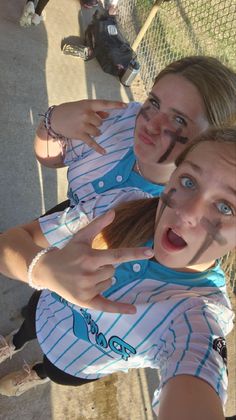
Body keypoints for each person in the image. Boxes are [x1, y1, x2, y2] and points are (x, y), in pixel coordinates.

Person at [0, 127, 235, 420]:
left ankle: (37, 372)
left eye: (225, 207)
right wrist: (44, 269)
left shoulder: (200, 314)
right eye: (188, 181)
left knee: (54, 370)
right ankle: (13, 342)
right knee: (27, 326)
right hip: (45, 311)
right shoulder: (117, 207)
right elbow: (8, 244)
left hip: (76, 365)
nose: (187, 213)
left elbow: (197, 375)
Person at [34, 56, 236, 216]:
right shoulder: (120, 121)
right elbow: (52, 159)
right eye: (155, 103)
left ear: (211, 141)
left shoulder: (180, 212)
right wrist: (53, 121)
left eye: (179, 120)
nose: (151, 124)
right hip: (60, 219)